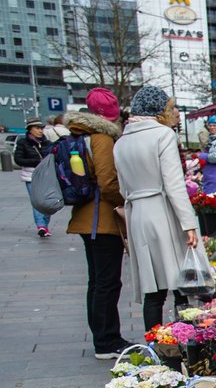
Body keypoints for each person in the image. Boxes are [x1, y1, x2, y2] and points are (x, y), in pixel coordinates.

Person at [113, 86, 199, 332]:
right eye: (171, 108)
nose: (175, 113)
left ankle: (154, 343)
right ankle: (184, 340)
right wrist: (188, 222)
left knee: (154, 286)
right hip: (163, 211)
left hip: (137, 213)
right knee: (180, 281)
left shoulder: (122, 141)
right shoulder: (163, 135)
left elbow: (122, 187)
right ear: (158, 110)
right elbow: (174, 184)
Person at [67, 88, 130, 359]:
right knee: (107, 281)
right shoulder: (102, 138)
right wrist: (124, 198)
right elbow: (107, 182)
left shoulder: (80, 134)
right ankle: (107, 340)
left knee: (97, 281)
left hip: (86, 218)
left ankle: (102, 337)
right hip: (100, 220)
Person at [15, 117, 52, 238]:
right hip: (31, 176)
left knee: (47, 202)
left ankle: (45, 223)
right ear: (30, 130)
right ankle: (41, 226)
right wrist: (37, 161)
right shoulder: (23, 142)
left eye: (41, 128)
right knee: (37, 202)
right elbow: (18, 159)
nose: (40, 131)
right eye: (37, 128)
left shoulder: (47, 142)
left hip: (46, 176)